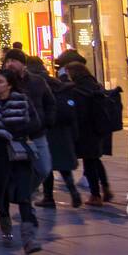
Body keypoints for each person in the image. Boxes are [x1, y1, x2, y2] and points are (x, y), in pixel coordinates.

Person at [0, 68, 43, 253]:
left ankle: (29, 237)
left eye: (0, 81)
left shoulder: (21, 100)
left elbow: (35, 123)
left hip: (19, 153)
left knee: (24, 194)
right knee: (2, 193)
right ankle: (4, 220)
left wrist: (17, 131)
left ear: (9, 84)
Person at [3, 49, 56, 197]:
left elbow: (50, 102)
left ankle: (23, 192)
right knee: (13, 171)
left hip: (37, 133)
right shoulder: (2, 80)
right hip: (11, 136)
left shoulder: (37, 81)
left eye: (13, 61)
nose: (9, 64)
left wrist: (47, 121)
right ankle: (22, 201)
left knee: (44, 168)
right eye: (7, 61)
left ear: (23, 64)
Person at [67, 62, 114, 206]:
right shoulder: (95, 85)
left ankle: (95, 195)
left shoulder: (77, 89)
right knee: (96, 159)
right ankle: (105, 187)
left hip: (86, 130)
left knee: (89, 161)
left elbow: (78, 112)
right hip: (100, 128)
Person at [42, 65, 83, 209]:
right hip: (63, 132)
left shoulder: (40, 85)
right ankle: (73, 191)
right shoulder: (59, 85)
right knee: (64, 166)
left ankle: (48, 197)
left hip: (48, 131)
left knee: (47, 166)